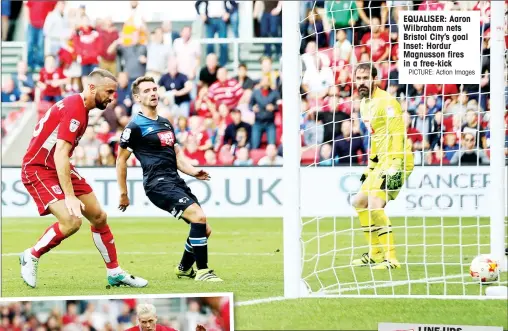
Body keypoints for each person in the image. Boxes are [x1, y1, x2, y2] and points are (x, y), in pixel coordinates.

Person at [19, 68, 148, 289]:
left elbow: (61, 155)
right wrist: (69, 196)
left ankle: (114, 272)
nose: (111, 97)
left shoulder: (80, 109)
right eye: (108, 91)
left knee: (98, 216)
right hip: (39, 169)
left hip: (58, 165)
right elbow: (60, 153)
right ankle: (30, 255)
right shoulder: (75, 110)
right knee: (72, 221)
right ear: (91, 87)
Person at [116, 76, 222, 282]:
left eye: (154, 89)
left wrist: (192, 171)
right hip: (157, 184)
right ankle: (203, 271)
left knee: (204, 228)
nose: (153, 93)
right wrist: (123, 193)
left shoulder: (165, 123)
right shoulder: (134, 127)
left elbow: (177, 156)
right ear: (137, 97)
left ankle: (183, 268)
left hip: (175, 181)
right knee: (198, 217)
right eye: (146, 91)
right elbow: (121, 161)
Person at [351, 63, 414, 270]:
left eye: (365, 78)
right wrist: (370, 166)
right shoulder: (364, 104)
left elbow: (398, 133)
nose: (361, 82)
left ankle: (392, 259)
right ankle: (375, 254)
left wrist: (395, 164)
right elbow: (376, 137)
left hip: (398, 160)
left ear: (375, 79)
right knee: (359, 202)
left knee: (375, 205)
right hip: (381, 162)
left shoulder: (387, 102)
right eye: (358, 78)